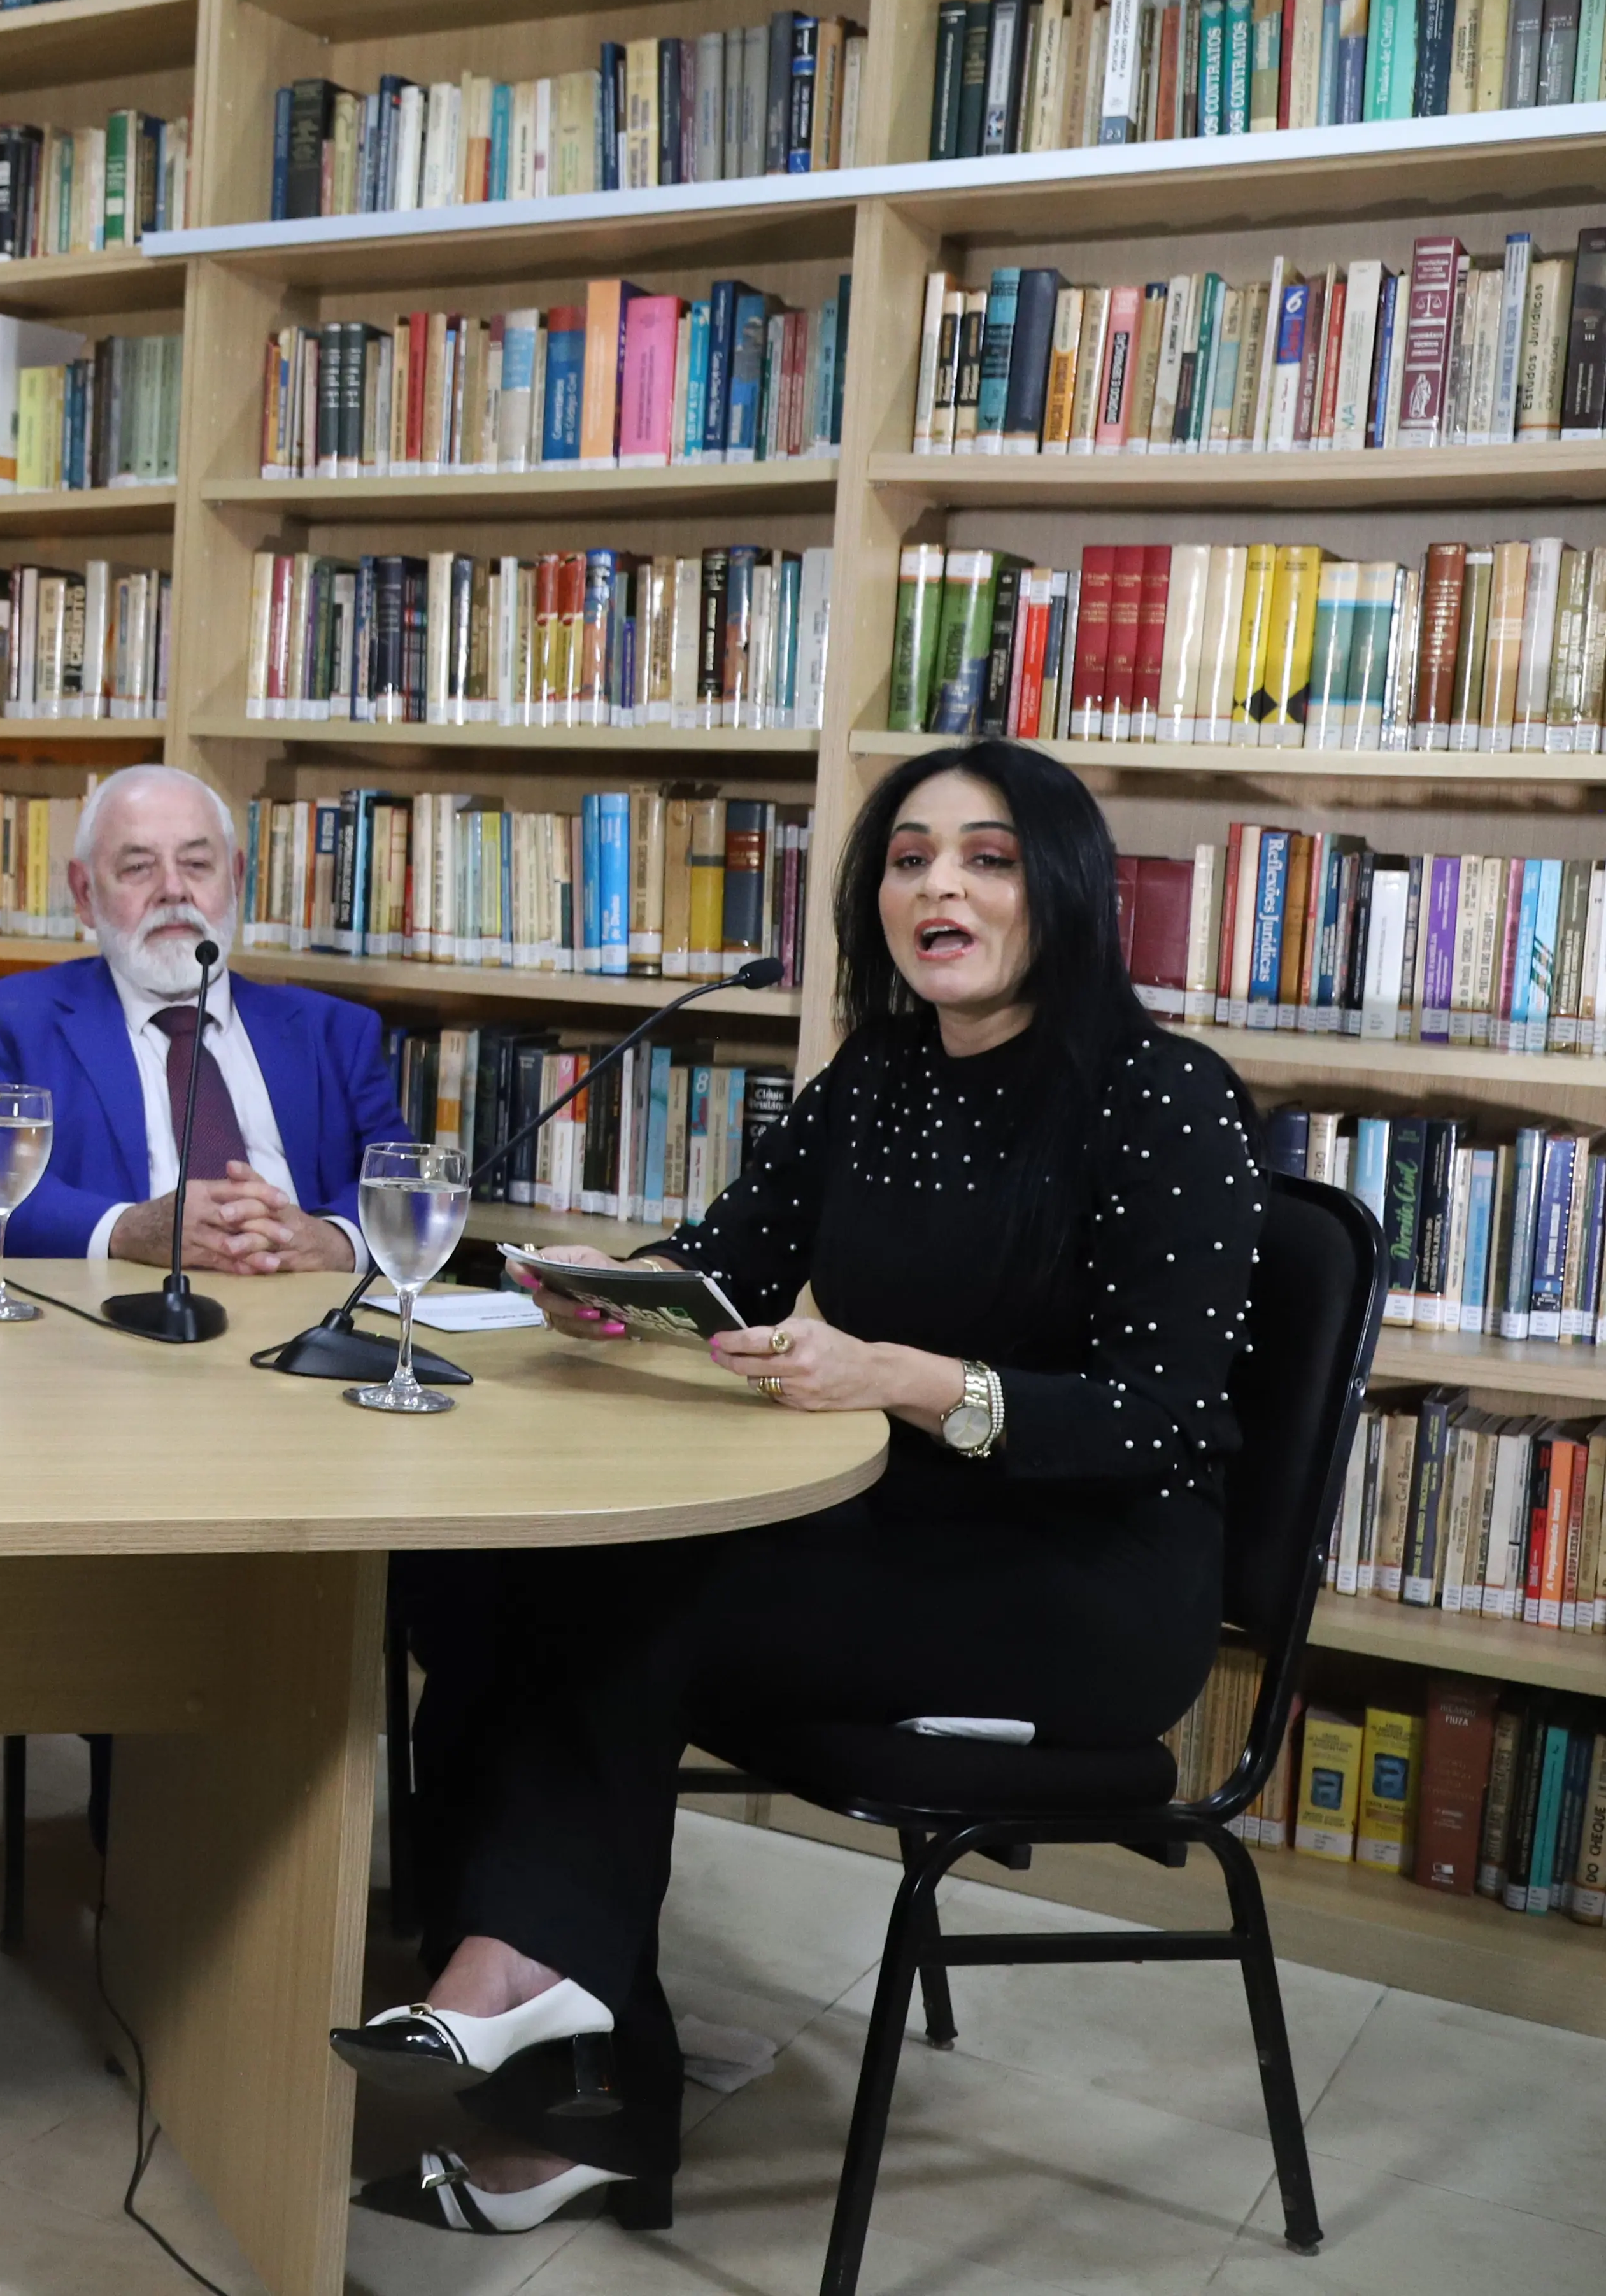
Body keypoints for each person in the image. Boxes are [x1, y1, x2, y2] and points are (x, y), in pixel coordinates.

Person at [338, 739, 1261, 2238]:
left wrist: (900, 1377)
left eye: (984, 855)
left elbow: (1165, 1419)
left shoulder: (1165, 1098)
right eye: (906, 859)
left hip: (1080, 1584)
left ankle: (533, 2015)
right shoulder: (878, 1075)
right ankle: (545, 2030)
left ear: (1064, 891)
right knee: (489, 1568)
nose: (936, 885)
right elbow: (733, 1264)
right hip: (895, 1535)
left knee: (626, 1595)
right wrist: (610, 1294)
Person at [0, 762, 401, 1273]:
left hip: (303, 1324)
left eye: (197, 864)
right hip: (106, 1327)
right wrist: (128, 1230)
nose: (173, 890)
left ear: (237, 878)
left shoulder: (335, 1034)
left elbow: (402, 1186)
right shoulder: (6, 1025)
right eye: (137, 868)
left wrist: (333, 1241)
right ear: (84, 894)